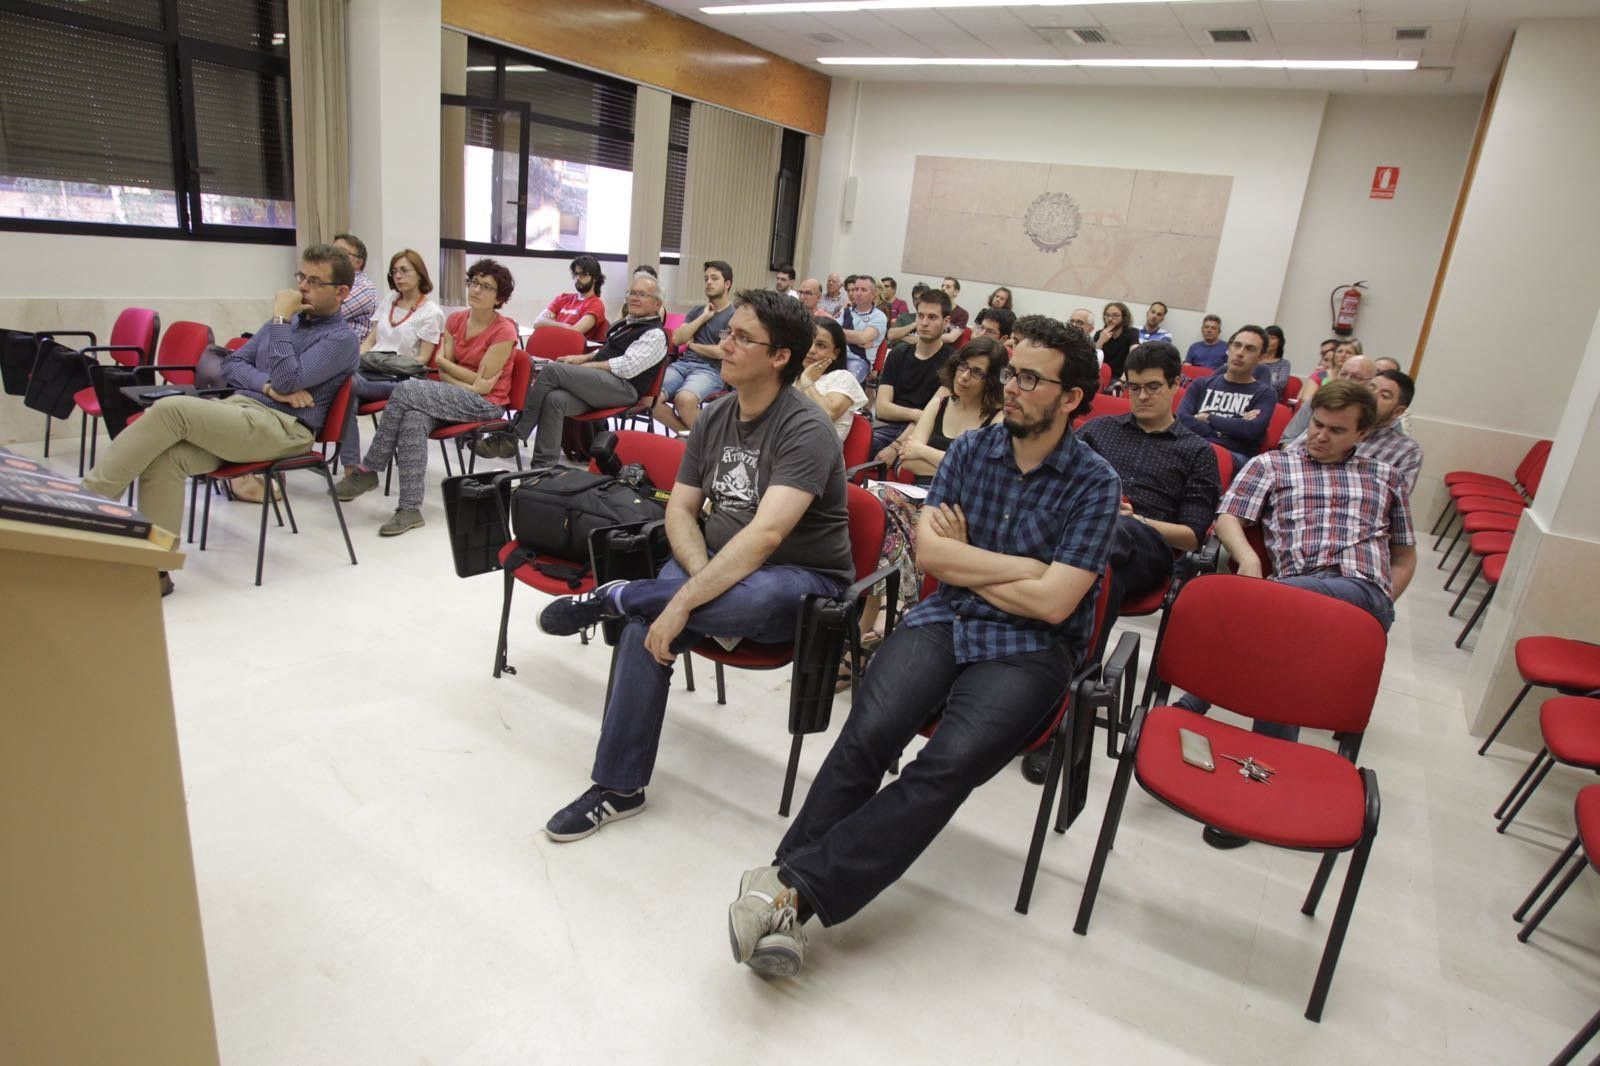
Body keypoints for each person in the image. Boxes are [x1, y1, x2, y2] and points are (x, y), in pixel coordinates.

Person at [723, 315, 1119, 977]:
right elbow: (934, 555)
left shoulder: (1095, 482)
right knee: (870, 730)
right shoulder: (971, 452)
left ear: (1072, 397)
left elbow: (1055, 605)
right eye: (1007, 372)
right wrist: (1024, 567)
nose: (1008, 387)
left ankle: (787, 889)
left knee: (948, 764)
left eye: (1027, 377)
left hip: (1031, 649)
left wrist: (980, 561)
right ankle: (788, 895)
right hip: (946, 617)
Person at [535, 289, 852, 841]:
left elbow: (767, 535)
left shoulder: (806, 428)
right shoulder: (717, 414)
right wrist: (698, 578)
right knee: (644, 630)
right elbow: (681, 508)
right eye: (729, 333)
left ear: (780, 357)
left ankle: (615, 596)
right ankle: (619, 787)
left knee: (734, 597)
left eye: (740, 338)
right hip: (712, 557)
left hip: (799, 582)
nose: (722, 345)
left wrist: (685, 599)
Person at [1186, 380, 1416, 851]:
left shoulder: (1385, 476)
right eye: (1317, 424)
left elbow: (1405, 556)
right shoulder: (1273, 463)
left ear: (1362, 432)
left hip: (1360, 593)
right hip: (1294, 599)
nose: (1320, 436)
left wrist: (1386, 601)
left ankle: (1196, 699)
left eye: (1336, 430)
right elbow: (1229, 516)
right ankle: (1259, 791)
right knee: (1279, 661)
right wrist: (1248, 561)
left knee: (1266, 614)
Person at [82, 244, 360, 591]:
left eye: (315, 281)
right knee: (166, 460)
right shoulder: (287, 323)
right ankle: (155, 570)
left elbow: (291, 379)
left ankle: (85, 504)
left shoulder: (341, 339)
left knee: (172, 408)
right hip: (243, 412)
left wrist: (278, 321)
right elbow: (231, 364)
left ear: (342, 292)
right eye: (301, 277)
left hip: (285, 428)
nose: (302, 287)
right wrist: (269, 387)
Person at [1020, 340, 1220, 785]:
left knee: (1109, 538)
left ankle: (1063, 719)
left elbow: (1191, 535)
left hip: (1147, 548)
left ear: (1175, 387)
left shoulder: (1195, 452)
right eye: (1133, 388)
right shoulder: (1098, 431)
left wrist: (1135, 517)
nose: (1142, 396)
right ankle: (1035, 688)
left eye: (1153, 388)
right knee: (1093, 565)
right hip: (1078, 544)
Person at [334, 258, 518, 536]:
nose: (476, 290)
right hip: (459, 394)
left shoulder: (504, 330)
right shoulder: (456, 319)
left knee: (406, 389)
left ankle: (370, 468)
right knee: (413, 417)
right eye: (473, 282)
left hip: (486, 405)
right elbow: (445, 371)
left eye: (486, 286)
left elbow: (481, 385)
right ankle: (409, 509)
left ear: (499, 297)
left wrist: (454, 372)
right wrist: (462, 378)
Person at [508, 273, 670, 467]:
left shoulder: (655, 334)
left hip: (624, 389)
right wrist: (581, 358)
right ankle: (543, 468)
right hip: (602, 385)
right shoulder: (628, 325)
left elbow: (626, 367)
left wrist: (586, 367)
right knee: (555, 400)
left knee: (552, 371)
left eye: (642, 294)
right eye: (632, 293)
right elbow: (605, 352)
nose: (634, 298)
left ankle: (515, 435)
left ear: (657, 304)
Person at [336, 248, 448, 473]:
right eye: (394, 271)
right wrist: (357, 357)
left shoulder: (431, 312)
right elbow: (371, 339)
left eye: (404, 270)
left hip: (403, 379)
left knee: (348, 384)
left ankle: (351, 467)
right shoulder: (389, 300)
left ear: (420, 274)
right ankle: (351, 466)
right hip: (371, 371)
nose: (398, 276)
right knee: (346, 388)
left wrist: (387, 363)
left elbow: (423, 359)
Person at [1284, 367, 1422, 496]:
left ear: (1398, 411)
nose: (1373, 396)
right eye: (1371, 387)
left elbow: (1393, 501)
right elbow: (1286, 461)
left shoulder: (1407, 451)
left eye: (1384, 395)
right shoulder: (1330, 423)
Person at [1175, 324, 1276, 467]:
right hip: (1192, 446)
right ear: (1229, 349)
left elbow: (1251, 430)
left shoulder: (1265, 394)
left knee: (1207, 455)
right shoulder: (1201, 384)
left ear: (1261, 358)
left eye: (1249, 349)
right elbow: (1182, 420)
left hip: (1233, 456)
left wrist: (1208, 417)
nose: (1240, 353)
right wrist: (1229, 428)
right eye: (1237, 345)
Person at [869, 289, 954, 454]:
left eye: (932, 317)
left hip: (922, 434)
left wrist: (896, 446)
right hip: (885, 426)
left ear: (946, 321)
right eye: (920, 316)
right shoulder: (898, 353)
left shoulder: (953, 363)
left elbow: (931, 416)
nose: (924, 323)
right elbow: (882, 408)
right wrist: (916, 413)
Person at [656, 260, 736, 433]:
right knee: (651, 398)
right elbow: (677, 339)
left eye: (714, 278)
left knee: (683, 399)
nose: (708, 282)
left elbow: (721, 352)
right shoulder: (697, 312)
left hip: (710, 371)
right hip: (682, 366)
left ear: (727, 284)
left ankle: (704, 444)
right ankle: (690, 440)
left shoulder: (734, 315)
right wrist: (704, 317)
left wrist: (692, 344)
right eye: (706, 278)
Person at [795, 315, 867, 442]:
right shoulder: (791, 377)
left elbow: (828, 414)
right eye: (808, 341)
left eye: (821, 345)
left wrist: (807, 381)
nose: (811, 350)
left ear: (835, 353)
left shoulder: (843, 377)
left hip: (817, 455)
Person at [1280, 353, 1374, 443]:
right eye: (1343, 374)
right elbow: (1288, 439)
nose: (1346, 380)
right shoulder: (1318, 399)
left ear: (1371, 383)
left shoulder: (1369, 412)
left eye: (1355, 377)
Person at [533, 254, 609, 343]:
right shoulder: (562, 298)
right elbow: (537, 323)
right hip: (550, 344)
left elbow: (573, 333)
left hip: (572, 353)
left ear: (595, 278)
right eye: (576, 274)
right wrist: (564, 326)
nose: (578, 278)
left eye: (583, 274)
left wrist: (550, 324)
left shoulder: (595, 304)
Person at [839, 273, 888, 383]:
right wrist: (856, 338)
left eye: (863, 290)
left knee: (845, 384)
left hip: (858, 360)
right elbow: (830, 334)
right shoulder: (845, 312)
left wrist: (841, 334)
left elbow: (862, 338)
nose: (858, 293)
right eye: (856, 289)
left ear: (874, 294)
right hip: (837, 356)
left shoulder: (878, 316)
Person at [333, 233, 379, 343]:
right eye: (331, 251)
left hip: (348, 354)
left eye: (341, 253)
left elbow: (322, 314)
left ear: (358, 262)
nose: (332, 257)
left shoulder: (363, 287)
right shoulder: (335, 282)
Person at [1095, 301, 1136, 379]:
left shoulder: (1132, 333)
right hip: (1101, 377)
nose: (1110, 319)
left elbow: (1134, 356)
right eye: (1107, 315)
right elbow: (1092, 360)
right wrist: (1100, 341)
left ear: (1123, 317)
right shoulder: (1099, 333)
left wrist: (1122, 380)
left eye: (1115, 315)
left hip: (1122, 377)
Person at [1255, 324, 1292, 395]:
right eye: (1266, 337)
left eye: (1272, 338)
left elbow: (1281, 384)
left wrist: (1257, 385)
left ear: (1280, 342)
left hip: (1270, 396)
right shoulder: (1255, 359)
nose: (1268, 340)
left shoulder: (1284, 363)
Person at [940, 276, 969, 342]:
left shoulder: (962, 314)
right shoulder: (934, 308)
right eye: (942, 286)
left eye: (948, 287)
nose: (943, 289)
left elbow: (951, 338)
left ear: (955, 292)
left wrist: (927, 338)